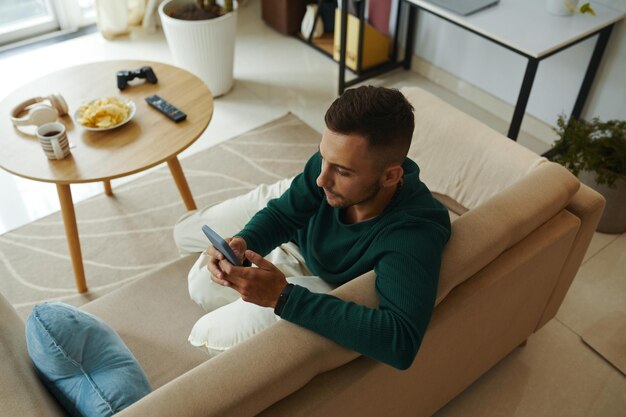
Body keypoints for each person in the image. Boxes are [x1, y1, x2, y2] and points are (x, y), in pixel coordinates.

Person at [175, 86, 451, 370]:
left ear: (390, 176)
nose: (321, 179)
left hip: (323, 275)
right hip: (298, 233)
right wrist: (245, 243)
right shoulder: (325, 175)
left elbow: (401, 341)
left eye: (343, 171)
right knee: (197, 272)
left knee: (208, 335)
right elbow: (283, 215)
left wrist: (282, 297)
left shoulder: (410, 235)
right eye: (323, 157)